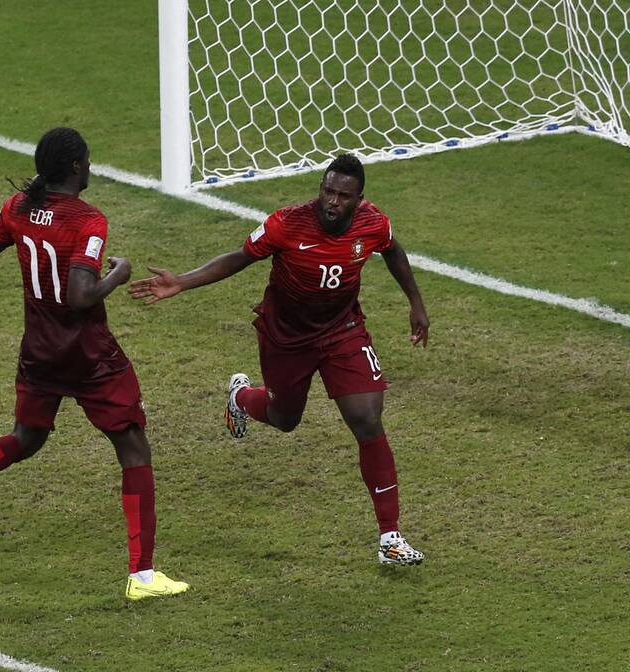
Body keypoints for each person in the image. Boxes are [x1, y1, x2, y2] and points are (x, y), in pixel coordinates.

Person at [0, 128, 190, 600]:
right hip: (89, 356)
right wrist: (119, 274)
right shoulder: (88, 221)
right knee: (133, 448)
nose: (91, 167)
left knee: (26, 438)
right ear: (75, 168)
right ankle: (144, 575)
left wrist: (20, 216)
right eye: (87, 161)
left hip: (39, 351)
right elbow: (79, 297)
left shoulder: (19, 208)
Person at [129, 154, 429, 565]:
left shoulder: (373, 222)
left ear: (359, 199)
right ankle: (241, 398)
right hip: (286, 337)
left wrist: (415, 302)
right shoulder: (286, 223)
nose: (332, 201)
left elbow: (392, 251)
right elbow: (239, 257)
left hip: (342, 330)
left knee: (367, 418)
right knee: (285, 419)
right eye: (327, 190)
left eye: (343, 195)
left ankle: (390, 537)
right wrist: (183, 281)